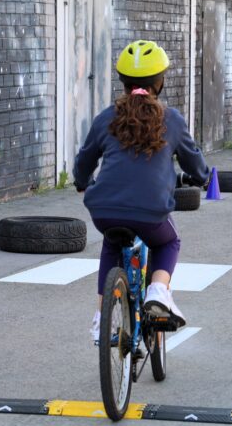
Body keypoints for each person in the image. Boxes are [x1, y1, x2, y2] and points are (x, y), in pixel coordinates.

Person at [73, 40, 210, 343]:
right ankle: (158, 290)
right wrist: (201, 177)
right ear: (159, 83)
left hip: (104, 209)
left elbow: (84, 161)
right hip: (150, 211)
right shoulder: (171, 119)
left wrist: (82, 183)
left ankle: (101, 318)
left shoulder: (106, 117)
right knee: (169, 242)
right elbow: (195, 163)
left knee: (112, 244)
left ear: (123, 82)